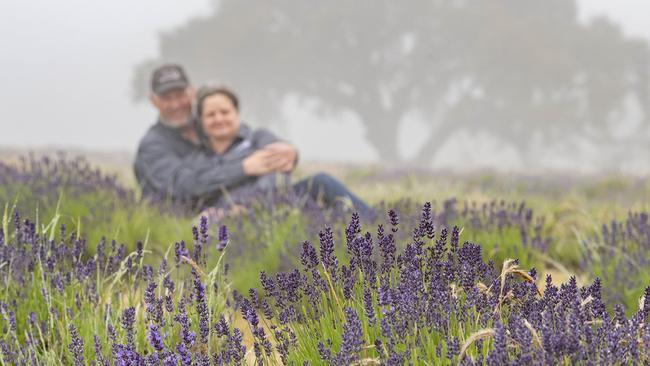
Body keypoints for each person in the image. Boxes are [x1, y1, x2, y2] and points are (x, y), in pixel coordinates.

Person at [192, 85, 373, 217]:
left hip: (277, 201)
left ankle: (379, 225)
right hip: (228, 215)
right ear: (201, 121)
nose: (219, 119)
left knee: (322, 181)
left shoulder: (259, 138)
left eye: (225, 112)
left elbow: (277, 172)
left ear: (236, 114)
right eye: (211, 114)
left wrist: (248, 203)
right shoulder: (198, 156)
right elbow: (197, 187)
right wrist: (245, 168)